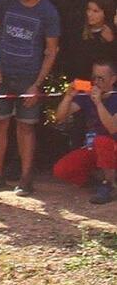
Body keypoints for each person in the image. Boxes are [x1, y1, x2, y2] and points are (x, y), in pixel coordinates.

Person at [0, 0, 60, 196]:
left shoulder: (48, 11)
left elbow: (51, 50)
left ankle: (26, 178)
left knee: (26, 127)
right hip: (1, 71)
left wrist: (37, 83)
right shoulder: (4, 0)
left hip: (29, 75)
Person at [52, 61, 117, 204]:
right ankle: (97, 179)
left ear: (113, 79)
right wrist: (69, 96)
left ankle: (109, 185)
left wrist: (99, 103)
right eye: (94, 78)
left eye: (101, 78)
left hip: (111, 144)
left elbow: (112, 128)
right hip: (95, 147)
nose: (96, 82)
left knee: (102, 141)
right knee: (61, 169)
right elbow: (59, 117)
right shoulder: (86, 97)